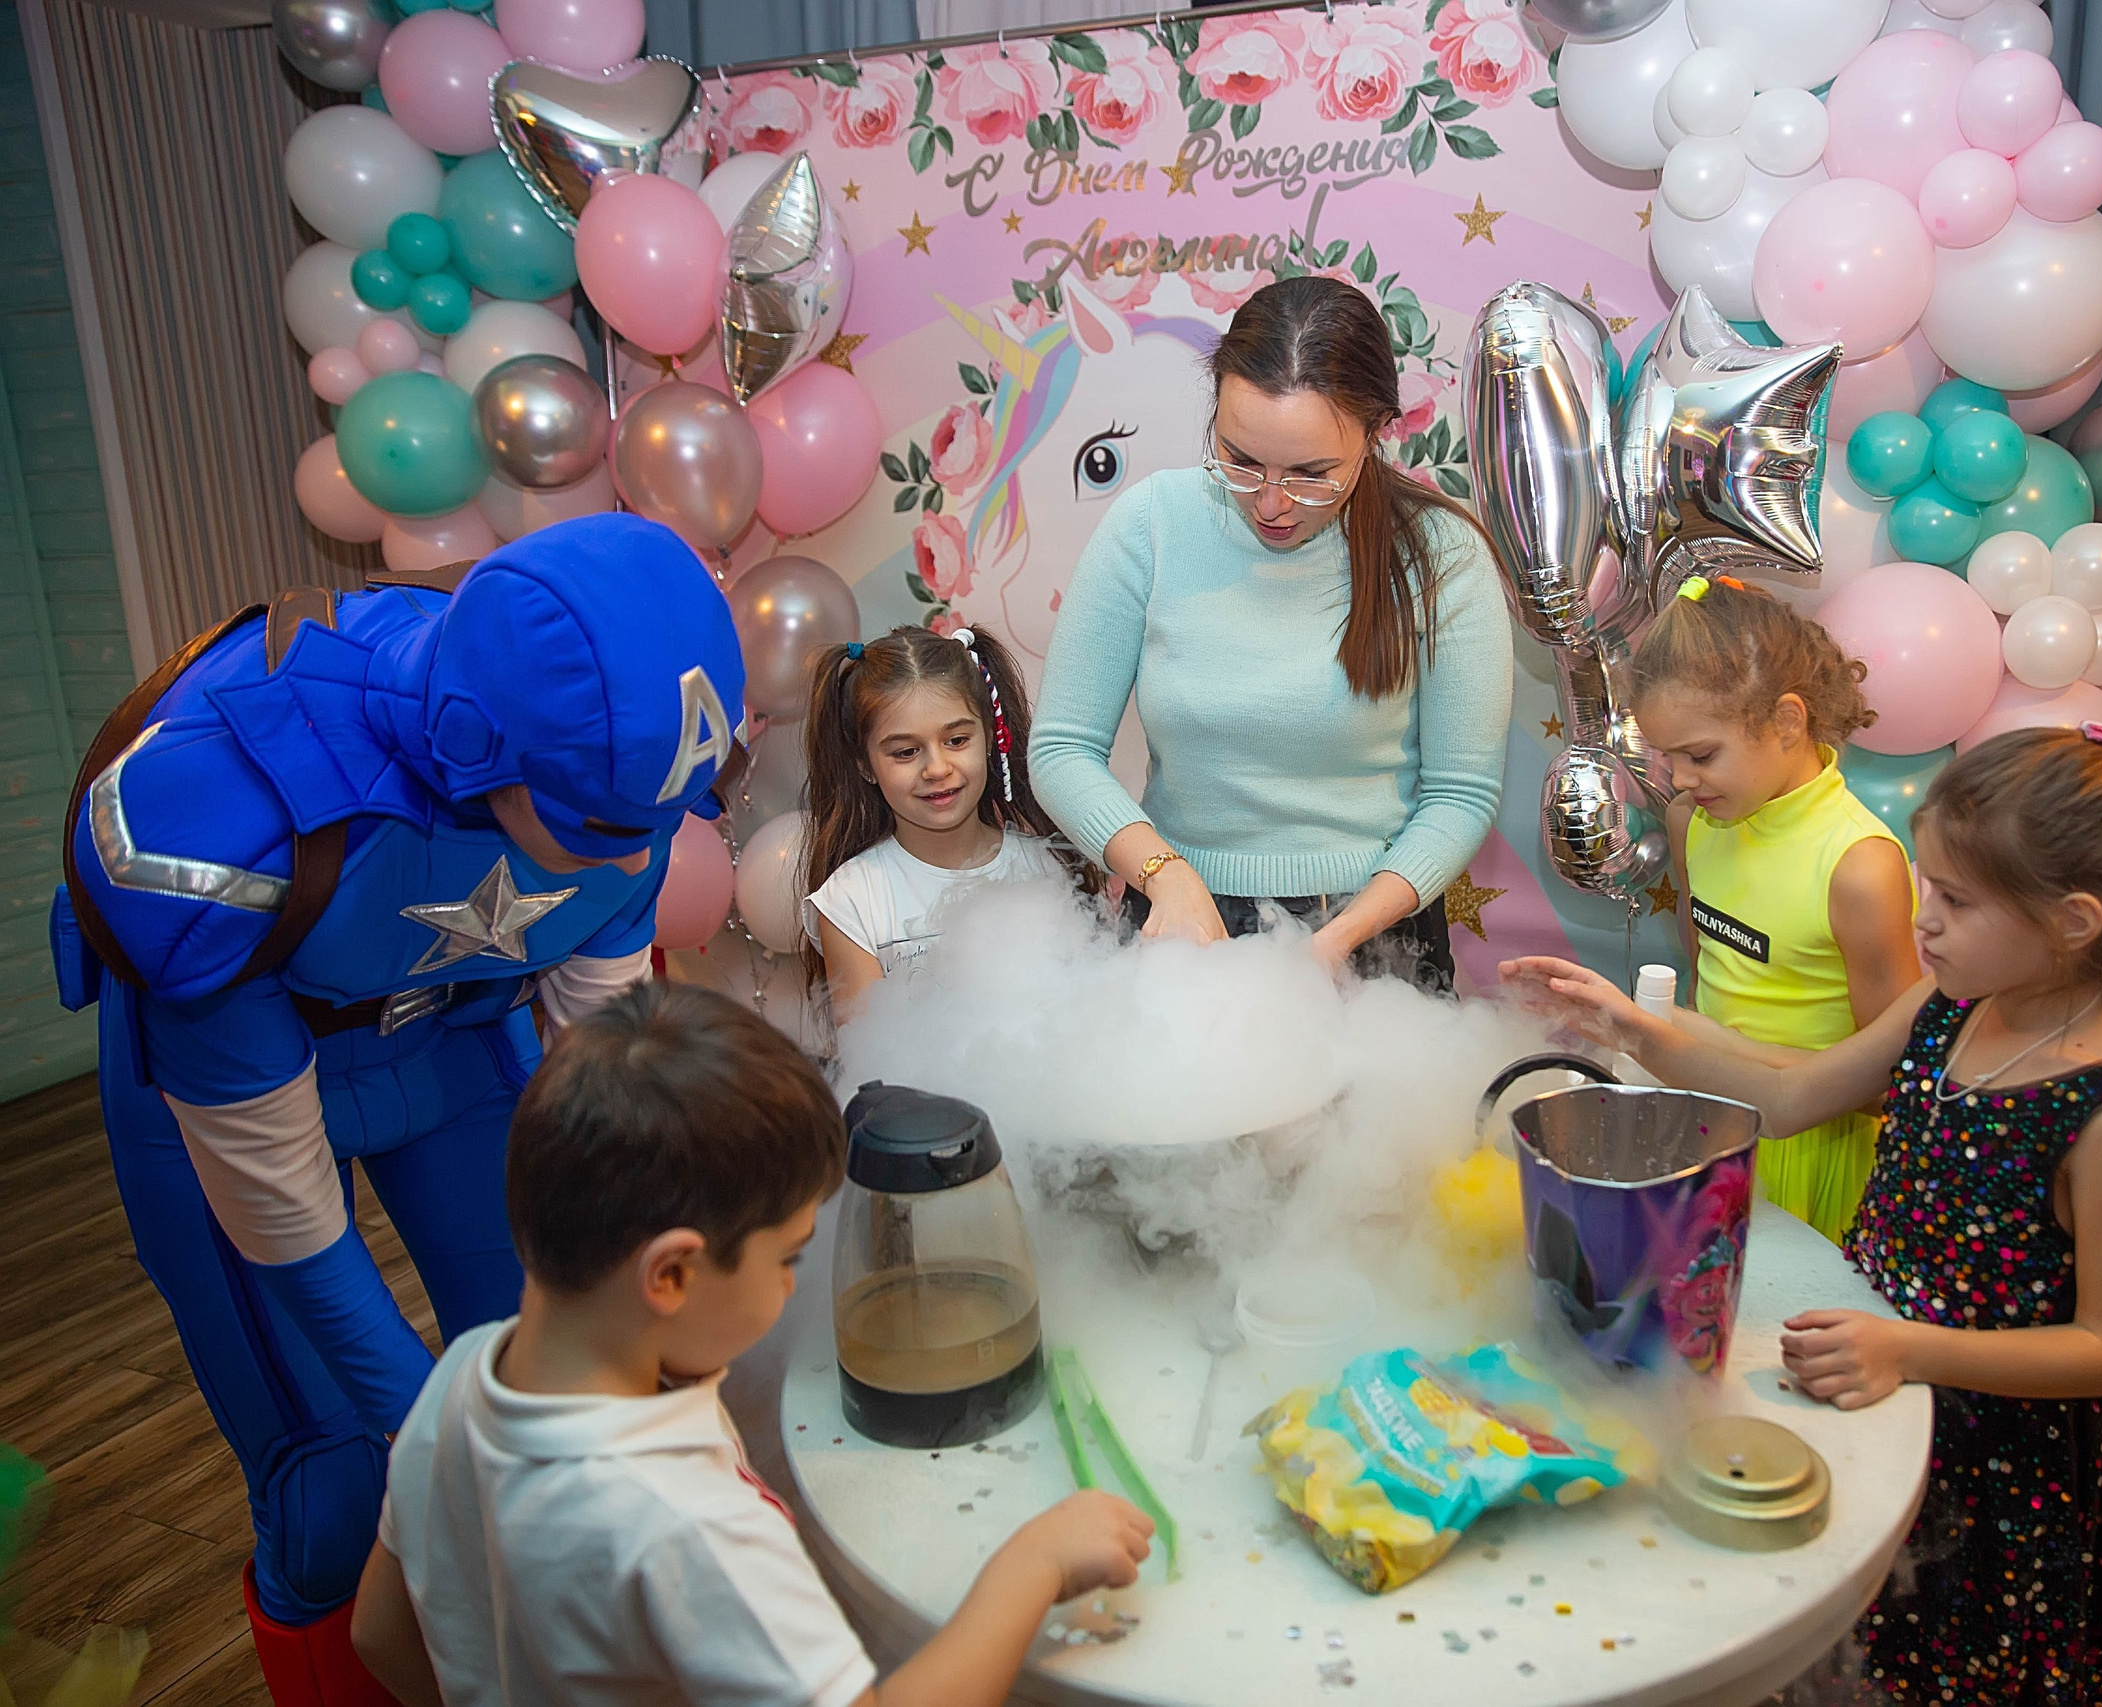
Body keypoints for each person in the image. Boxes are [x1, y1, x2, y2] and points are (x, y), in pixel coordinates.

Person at [50, 515, 748, 1707]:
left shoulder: (619, 788)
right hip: (233, 1087)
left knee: (573, 1390)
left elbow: (613, 1101)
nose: (630, 864)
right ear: (478, 745)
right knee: (337, 1494)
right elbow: (283, 1209)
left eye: (647, 829)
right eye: (591, 828)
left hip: (459, 1040)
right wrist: (436, 1437)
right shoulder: (221, 816)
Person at [1507, 724, 2102, 1702]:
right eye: (1929, 887)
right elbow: (1796, 1096)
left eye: (1957, 900)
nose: (1922, 922)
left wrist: (1911, 1349)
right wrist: (1644, 1034)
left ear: (2074, 922)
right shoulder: (1949, 1004)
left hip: (1993, 1455)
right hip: (1873, 1370)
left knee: (1946, 1659)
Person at [349, 982, 1152, 1707]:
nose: (793, 1287)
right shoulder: (690, 1524)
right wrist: (1032, 1564)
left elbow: (379, 1634)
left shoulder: (459, 1379)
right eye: (786, 1257)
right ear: (670, 1274)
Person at [1027, 275, 1513, 989]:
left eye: (1313, 474)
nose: (1272, 503)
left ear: (1378, 431)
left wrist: (1341, 934)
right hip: (1180, 916)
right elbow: (1064, 749)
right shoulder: (1150, 525)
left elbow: (1460, 793)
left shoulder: (1440, 553)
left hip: (1375, 932)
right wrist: (1166, 875)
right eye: (1241, 460)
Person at [1633, 573, 1922, 1242]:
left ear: (1787, 721)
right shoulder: (1690, 821)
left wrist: (1723, 1051)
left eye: (1701, 754)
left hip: (1815, 1151)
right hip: (1712, 1126)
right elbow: (1708, 978)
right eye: (1665, 755)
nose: (1679, 779)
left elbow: (1891, 1075)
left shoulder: (1860, 866)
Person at [800, 625, 1076, 1024]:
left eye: (957, 741)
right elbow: (870, 1066)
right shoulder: (851, 903)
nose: (937, 769)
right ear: (864, 764)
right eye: (906, 752)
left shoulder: (1047, 868)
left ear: (990, 737)